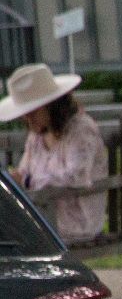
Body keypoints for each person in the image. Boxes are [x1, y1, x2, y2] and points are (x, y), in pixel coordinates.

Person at [0, 63, 107, 243]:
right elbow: (25, 172)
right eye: (24, 114)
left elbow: (75, 177)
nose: (27, 119)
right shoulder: (37, 136)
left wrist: (28, 181)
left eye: (32, 112)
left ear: (51, 106)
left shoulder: (81, 130)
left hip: (75, 219)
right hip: (42, 214)